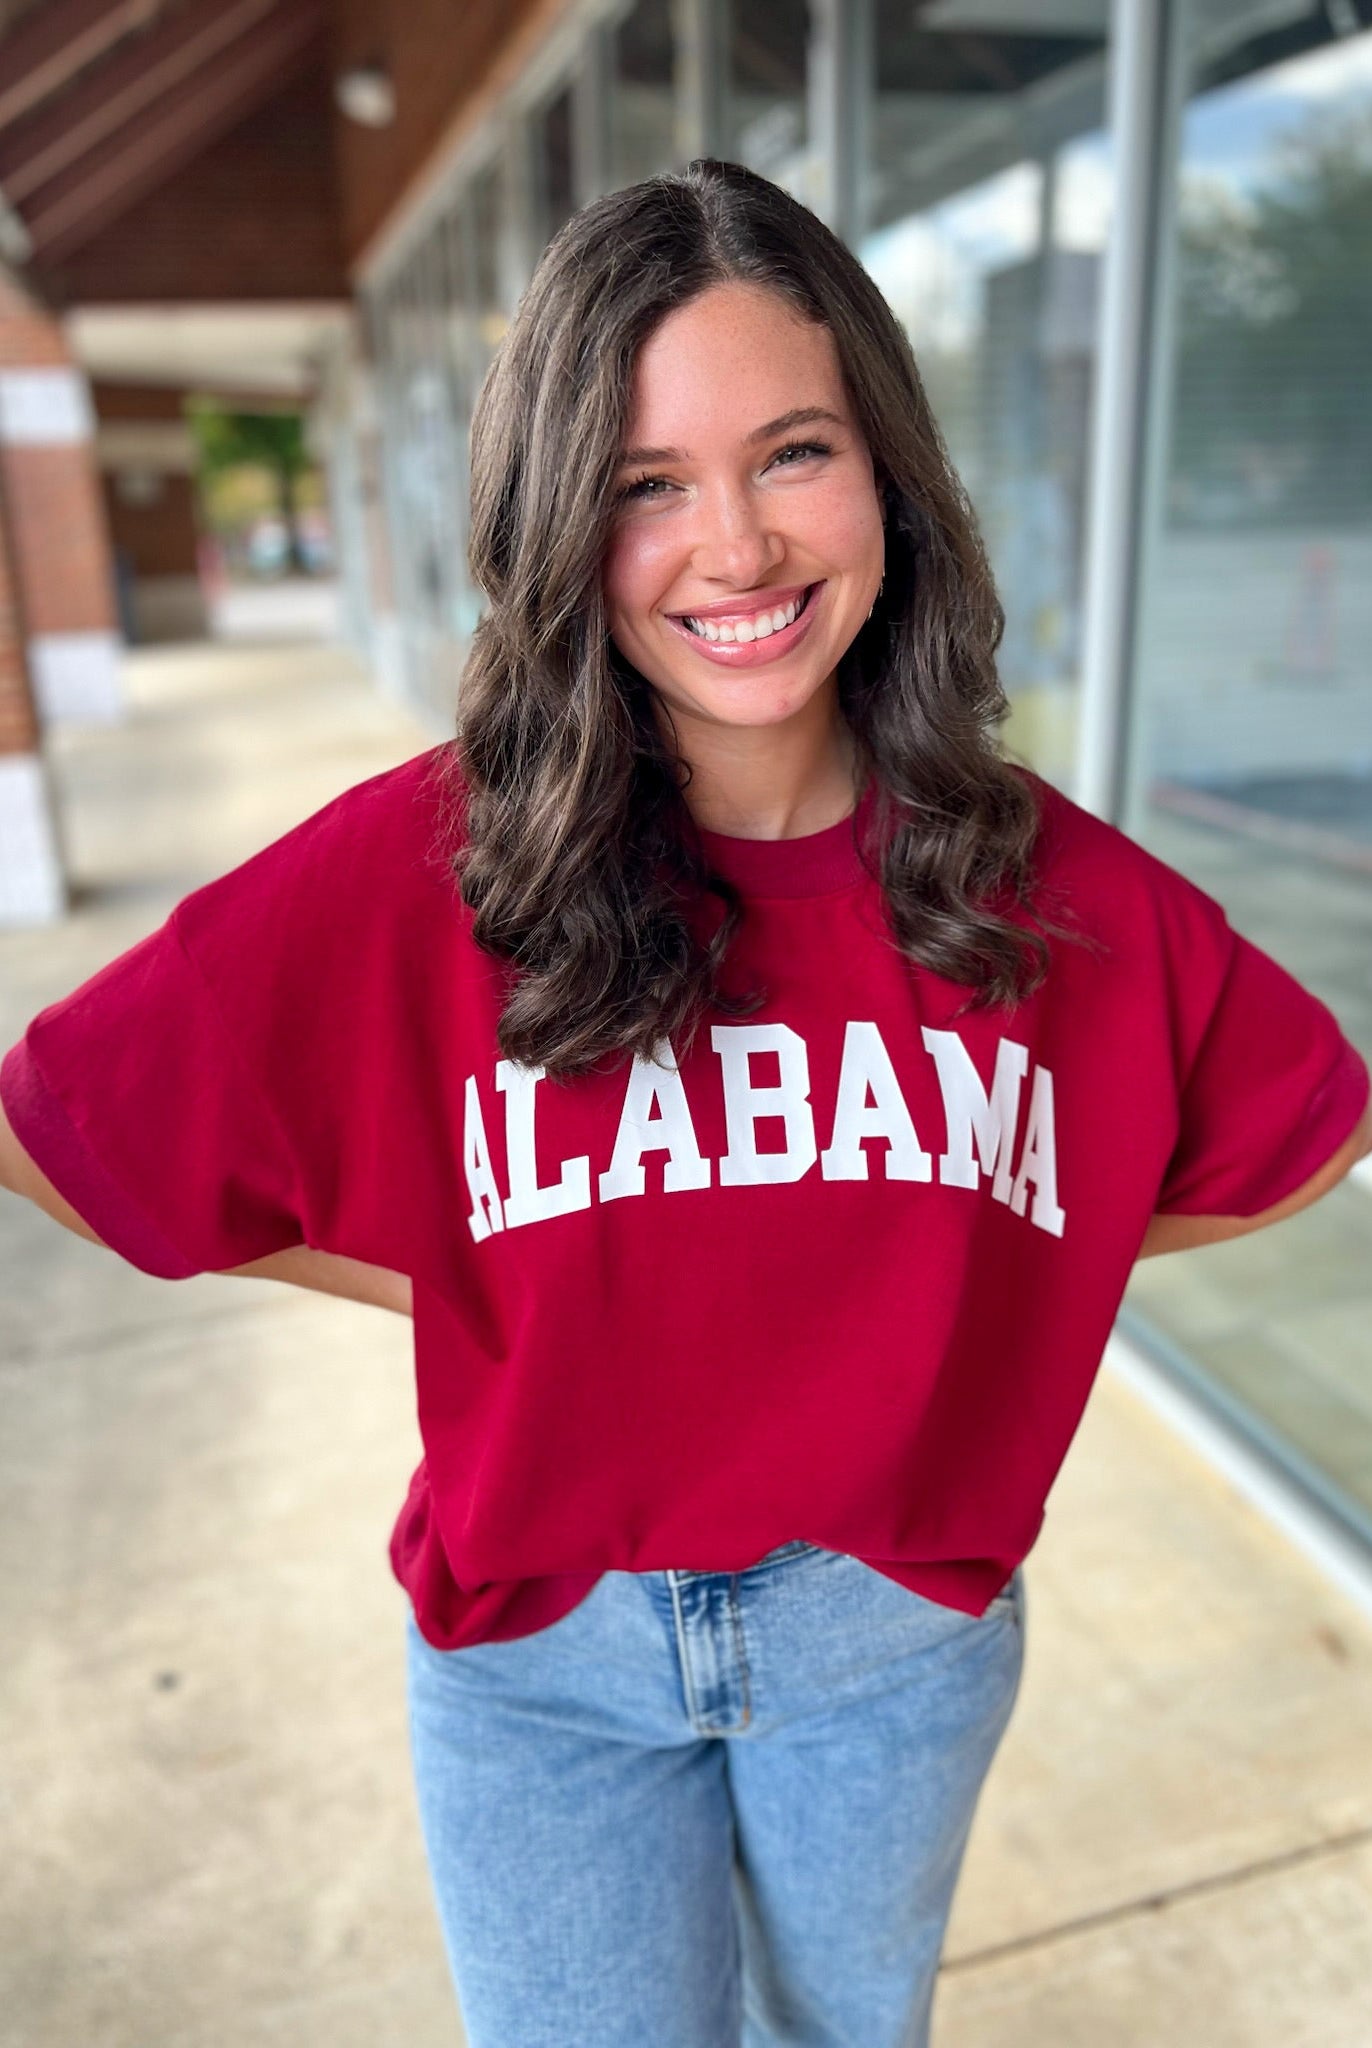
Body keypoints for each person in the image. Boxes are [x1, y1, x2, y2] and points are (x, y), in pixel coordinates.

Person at [1, 157, 1368, 2048]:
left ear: (887, 469)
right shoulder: (433, 868)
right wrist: (467, 1279)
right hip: (544, 1656)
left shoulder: (1041, 885)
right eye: (647, 485)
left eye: (793, 452)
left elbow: (1300, 1122)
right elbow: (65, 1130)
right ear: (563, 524)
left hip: (893, 1639)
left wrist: (991, 1268)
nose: (734, 548)